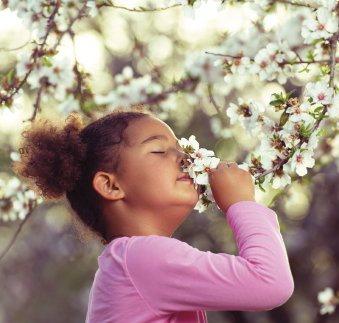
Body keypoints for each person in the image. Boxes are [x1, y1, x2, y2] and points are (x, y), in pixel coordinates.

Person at [13, 105, 294, 323]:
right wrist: (242, 203)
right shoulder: (141, 257)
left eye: (181, 148)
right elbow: (271, 283)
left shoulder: (132, 260)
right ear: (110, 185)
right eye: (160, 150)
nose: (185, 158)